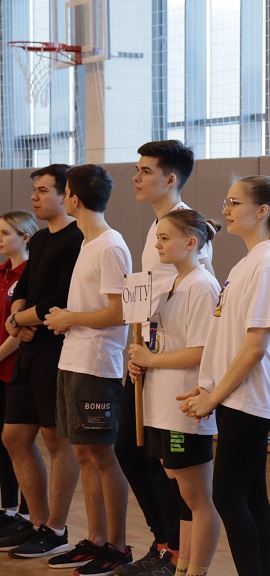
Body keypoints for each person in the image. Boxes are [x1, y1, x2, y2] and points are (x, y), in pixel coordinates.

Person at [178, 176, 270, 576]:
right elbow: (228, 337)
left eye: (234, 202)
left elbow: (256, 347)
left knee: (227, 495)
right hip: (233, 393)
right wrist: (209, 386)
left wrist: (214, 396)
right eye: (226, 201)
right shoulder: (249, 261)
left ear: (262, 211)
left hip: (250, 394)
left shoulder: (269, 262)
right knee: (250, 495)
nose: (225, 209)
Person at [116, 139, 213, 576]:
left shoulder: (189, 235)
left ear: (170, 179)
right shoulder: (156, 231)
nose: (136, 178)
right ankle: (167, 543)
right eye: (136, 170)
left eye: (145, 171)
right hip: (151, 363)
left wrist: (152, 356)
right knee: (138, 454)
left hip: (174, 376)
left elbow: (199, 326)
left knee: (174, 473)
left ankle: (175, 550)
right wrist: (139, 351)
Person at [41, 164, 133, 575]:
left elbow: (119, 313)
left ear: (74, 200)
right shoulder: (89, 243)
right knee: (82, 451)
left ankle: (117, 545)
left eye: (64, 193)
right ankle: (96, 540)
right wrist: (68, 320)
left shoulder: (111, 245)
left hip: (96, 365)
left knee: (102, 454)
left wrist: (70, 318)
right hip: (73, 359)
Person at [127, 209, 222, 576]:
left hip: (185, 407)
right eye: (158, 237)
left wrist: (151, 359)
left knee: (198, 498)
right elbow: (160, 343)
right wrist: (140, 361)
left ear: (191, 242)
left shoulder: (202, 285)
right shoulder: (174, 284)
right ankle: (183, 567)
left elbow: (202, 351)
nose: (158, 244)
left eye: (165, 238)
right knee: (183, 497)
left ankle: (197, 569)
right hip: (161, 406)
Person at [1, 164, 82, 559]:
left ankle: (56, 528)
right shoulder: (43, 239)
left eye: (43, 190)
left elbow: (61, 298)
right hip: (30, 351)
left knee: (56, 440)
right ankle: (34, 520)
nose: (34, 197)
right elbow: (26, 289)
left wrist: (20, 321)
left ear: (67, 196)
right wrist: (17, 317)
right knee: (14, 437)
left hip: (56, 351)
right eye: (34, 190)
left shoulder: (76, 238)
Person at [0, 211, 38, 535]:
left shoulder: (29, 274)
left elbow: (21, 329)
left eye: (5, 233)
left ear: (25, 237)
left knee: (21, 442)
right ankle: (8, 508)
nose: (0, 239)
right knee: (4, 442)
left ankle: (28, 514)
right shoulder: (3, 273)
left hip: (14, 368)